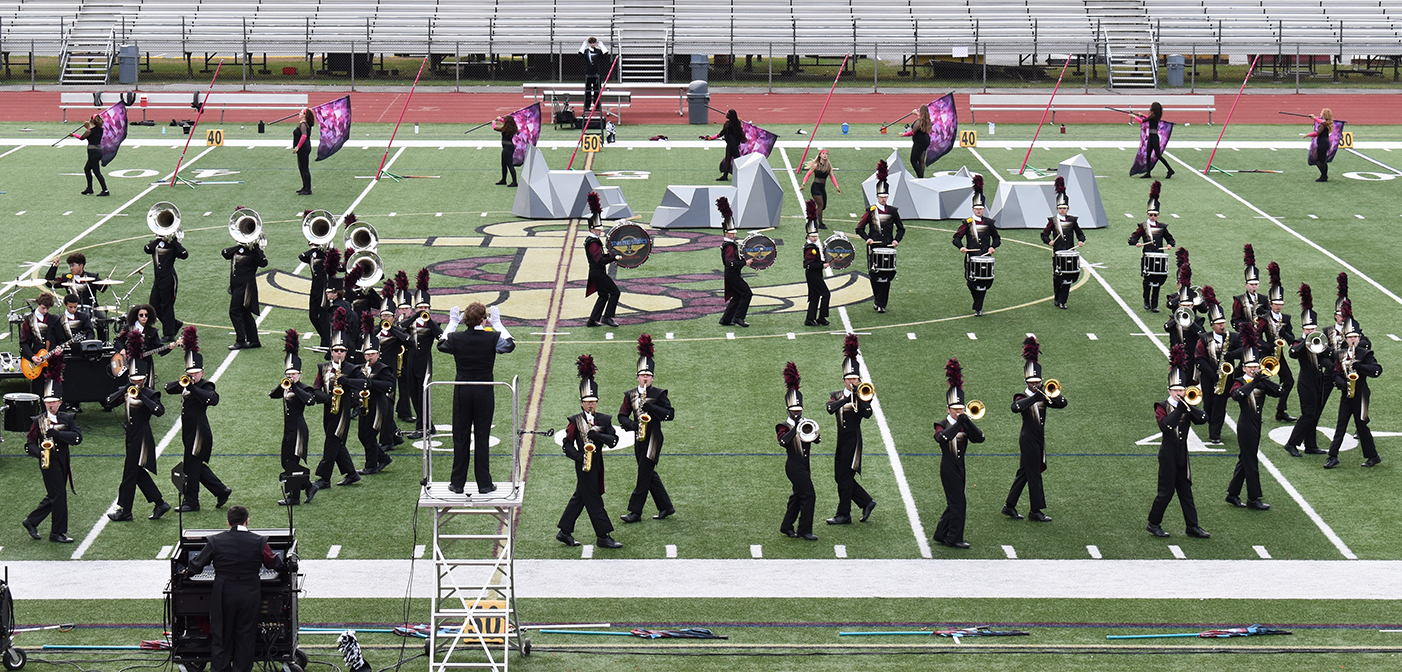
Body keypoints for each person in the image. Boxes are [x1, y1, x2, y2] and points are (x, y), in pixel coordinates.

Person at [184, 505, 294, 672]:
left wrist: (185, 571)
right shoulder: (259, 541)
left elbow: (197, 565)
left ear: (228, 523)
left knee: (221, 636)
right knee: (246, 636)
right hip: (249, 593)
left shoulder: (216, 540)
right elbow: (273, 562)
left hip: (224, 593)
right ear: (247, 521)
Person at [436, 302, 516, 495]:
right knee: (482, 437)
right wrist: (498, 324)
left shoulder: (456, 337)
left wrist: (452, 323)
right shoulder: (493, 337)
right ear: (484, 319)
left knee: (461, 436)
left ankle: (457, 483)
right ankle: (484, 484)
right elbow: (510, 345)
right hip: (484, 390)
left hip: (462, 390)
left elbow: (441, 344)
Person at [557, 355, 622, 549]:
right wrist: (579, 457)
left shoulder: (604, 420)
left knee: (581, 496)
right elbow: (566, 444)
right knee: (593, 497)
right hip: (583, 464)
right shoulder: (575, 421)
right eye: (587, 401)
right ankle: (603, 536)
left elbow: (613, 440)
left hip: (598, 462)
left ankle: (564, 531)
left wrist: (598, 436)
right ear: (581, 402)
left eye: (594, 401)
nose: (591, 404)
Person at [1146, 344, 1210, 539]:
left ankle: (1192, 526)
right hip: (1167, 454)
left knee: (1185, 491)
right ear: (1169, 390)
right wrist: (1182, 409)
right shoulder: (1162, 406)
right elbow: (1165, 426)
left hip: (1183, 453)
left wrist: (1190, 407)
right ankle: (1153, 523)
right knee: (1165, 492)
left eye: (1181, 390)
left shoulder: (1188, 404)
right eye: (1175, 390)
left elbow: (1202, 419)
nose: (1179, 393)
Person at [103, 345, 171, 522]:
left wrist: (141, 395)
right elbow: (109, 402)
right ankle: (159, 503)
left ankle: (125, 510)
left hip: (142, 436)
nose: (136, 383)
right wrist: (125, 388)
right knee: (137, 472)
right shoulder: (128, 390)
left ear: (145, 379)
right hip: (131, 436)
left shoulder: (150, 393)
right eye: (134, 379)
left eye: (139, 380)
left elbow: (159, 411)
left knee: (129, 473)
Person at [167, 327, 232, 512]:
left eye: (196, 372)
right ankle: (221, 490)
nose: (193, 375)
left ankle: (192, 502)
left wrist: (193, 387)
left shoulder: (206, 385)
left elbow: (213, 399)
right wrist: (183, 382)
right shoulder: (185, 383)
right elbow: (167, 388)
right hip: (189, 431)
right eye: (190, 372)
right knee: (194, 465)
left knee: (191, 466)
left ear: (202, 372)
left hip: (199, 432)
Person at [1004, 337, 1066, 523]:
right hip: (1028, 439)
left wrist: (1046, 393)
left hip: (1038, 439)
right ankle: (1036, 510)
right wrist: (1036, 395)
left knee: (1024, 473)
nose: (1035, 384)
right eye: (1032, 382)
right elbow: (1015, 408)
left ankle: (1009, 506)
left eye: (1038, 381)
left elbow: (1062, 403)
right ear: (1026, 381)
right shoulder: (1022, 396)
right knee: (1033, 474)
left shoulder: (1044, 394)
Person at [617, 334, 675, 522]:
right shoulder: (630, 394)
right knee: (648, 474)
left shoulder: (659, 394)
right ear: (637, 376)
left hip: (654, 438)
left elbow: (670, 414)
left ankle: (635, 512)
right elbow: (621, 416)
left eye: (648, 375)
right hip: (639, 437)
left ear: (652, 378)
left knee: (643, 474)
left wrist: (653, 408)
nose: (645, 378)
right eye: (643, 375)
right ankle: (666, 507)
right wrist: (632, 425)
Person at [22, 368, 80, 543]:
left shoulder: (68, 419)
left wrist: (58, 434)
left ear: (60, 403)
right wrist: (40, 452)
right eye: (47, 402)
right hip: (47, 462)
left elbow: (77, 438)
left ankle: (31, 521)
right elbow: (29, 444)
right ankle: (57, 533)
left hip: (63, 460)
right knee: (59, 495)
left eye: (53, 402)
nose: (50, 405)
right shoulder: (38, 421)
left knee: (55, 495)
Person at [1226, 326, 1280, 511]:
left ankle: (1232, 493)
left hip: (1257, 424)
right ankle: (1253, 498)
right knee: (1251, 461)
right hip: (1245, 425)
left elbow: (1278, 392)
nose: (1254, 370)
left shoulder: (1260, 380)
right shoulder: (1239, 381)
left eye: (1256, 367)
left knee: (1245, 458)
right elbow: (1236, 396)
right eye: (1250, 367)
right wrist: (1255, 382)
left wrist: (1264, 379)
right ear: (1243, 368)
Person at [824, 335, 875, 525]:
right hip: (841, 440)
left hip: (853, 440)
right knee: (840, 476)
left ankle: (843, 514)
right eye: (849, 379)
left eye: (855, 378)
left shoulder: (863, 395)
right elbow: (830, 408)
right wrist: (847, 398)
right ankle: (866, 501)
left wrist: (860, 398)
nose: (852, 382)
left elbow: (867, 414)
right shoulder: (836, 395)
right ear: (844, 380)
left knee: (845, 477)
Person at [933, 358, 982, 549]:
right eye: (956, 409)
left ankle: (940, 533)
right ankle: (953, 538)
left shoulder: (963, 422)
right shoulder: (942, 424)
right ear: (948, 409)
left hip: (960, 467)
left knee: (955, 502)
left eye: (961, 409)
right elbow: (942, 439)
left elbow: (979, 438)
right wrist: (960, 423)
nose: (959, 412)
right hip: (948, 467)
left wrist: (967, 422)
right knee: (959, 504)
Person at [1325, 309, 1382, 469]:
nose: (1353, 340)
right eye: (1350, 337)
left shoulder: (1365, 354)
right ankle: (1333, 456)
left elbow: (1376, 370)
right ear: (1346, 338)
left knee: (1361, 425)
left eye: (1355, 337)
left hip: (1361, 394)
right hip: (1347, 394)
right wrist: (1340, 382)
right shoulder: (1340, 354)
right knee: (1341, 424)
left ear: (1359, 338)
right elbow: (1335, 372)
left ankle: (1373, 455)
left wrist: (1360, 367)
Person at [1282, 284, 1334, 457]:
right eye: (1308, 329)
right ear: (1303, 329)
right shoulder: (1299, 342)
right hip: (1306, 381)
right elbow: (1293, 354)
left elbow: (1327, 356)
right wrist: (1307, 340)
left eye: (1313, 328)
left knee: (1315, 414)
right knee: (1308, 414)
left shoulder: (1321, 340)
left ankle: (1311, 445)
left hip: (1318, 380)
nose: (1311, 331)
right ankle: (1291, 443)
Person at [311, 308, 360, 489]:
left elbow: (362, 384)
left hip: (343, 412)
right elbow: (316, 389)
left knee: (331, 442)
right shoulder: (322, 367)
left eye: (342, 350)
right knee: (336, 443)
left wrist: (346, 382)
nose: (339, 353)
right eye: (336, 350)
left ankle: (324, 478)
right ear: (331, 352)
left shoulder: (351, 369)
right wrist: (328, 397)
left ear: (346, 353)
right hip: (329, 409)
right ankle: (352, 473)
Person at [272, 330, 319, 505]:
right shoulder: (286, 388)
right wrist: (284, 383)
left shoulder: (304, 388)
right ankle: (307, 486)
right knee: (286, 462)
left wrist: (295, 385)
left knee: (292, 462)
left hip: (298, 430)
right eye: (288, 374)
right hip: (288, 430)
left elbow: (310, 401)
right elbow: (273, 395)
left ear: (299, 374)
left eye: (293, 374)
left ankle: (295, 495)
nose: (290, 377)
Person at [856, 162, 904, 313]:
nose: (883, 199)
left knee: (886, 275)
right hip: (874, 247)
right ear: (877, 196)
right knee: (874, 275)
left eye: (885, 196)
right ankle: (877, 299)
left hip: (887, 247)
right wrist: (867, 239)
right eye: (881, 197)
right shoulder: (871, 211)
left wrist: (896, 240)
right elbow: (859, 228)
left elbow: (901, 229)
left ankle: (882, 303)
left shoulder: (893, 211)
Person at [777, 362, 818, 541]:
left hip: (805, 465)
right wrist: (796, 425)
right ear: (788, 410)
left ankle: (786, 526)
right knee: (809, 494)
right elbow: (783, 442)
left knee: (797, 495)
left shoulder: (803, 423)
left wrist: (813, 433)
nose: (798, 413)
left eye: (799, 410)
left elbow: (816, 439)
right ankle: (804, 529)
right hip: (793, 466)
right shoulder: (783, 426)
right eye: (794, 411)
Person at [351, 320, 396, 476]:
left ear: (378, 354)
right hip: (365, 406)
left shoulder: (383, 368)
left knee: (369, 435)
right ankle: (382, 458)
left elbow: (389, 386)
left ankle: (371, 465)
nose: (369, 356)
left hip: (378, 406)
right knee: (362, 435)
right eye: (367, 354)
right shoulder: (361, 368)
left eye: (372, 354)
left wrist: (370, 383)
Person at [953, 175, 1000, 316]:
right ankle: (977, 304)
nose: (979, 211)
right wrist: (961, 247)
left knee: (983, 282)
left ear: (984, 209)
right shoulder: (967, 223)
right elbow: (956, 237)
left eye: (981, 209)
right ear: (973, 209)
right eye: (976, 209)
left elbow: (997, 238)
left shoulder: (989, 223)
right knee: (971, 282)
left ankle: (978, 307)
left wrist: (993, 247)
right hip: (971, 257)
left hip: (985, 257)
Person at [1194, 291, 1234, 447]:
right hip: (1208, 377)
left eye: (1223, 322)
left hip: (1225, 378)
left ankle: (1215, 433)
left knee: (1220, 405)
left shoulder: (1232, 337)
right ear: (1212, 324)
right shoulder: (1204, 338)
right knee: (1209, 404)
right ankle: (1212, 423)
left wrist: (1231, 354)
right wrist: (1213, 375)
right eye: (1219, 323)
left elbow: (1245, 347)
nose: (1222, 325)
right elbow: (1199, 358)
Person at [1128, 181, 1175, 313]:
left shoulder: (1162, 227)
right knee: (1148, 279)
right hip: (1147, 256)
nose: (1153, 217)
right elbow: (1132, 238)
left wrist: (1170, 244)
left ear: (1158, 215)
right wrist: (1135, 243)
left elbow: (1170, 238)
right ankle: (1146, 301)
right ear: (1147, 214)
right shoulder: (1143, 226)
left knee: (1158, 281)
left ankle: (1155, 304)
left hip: (1159, 256)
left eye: (1155, 215)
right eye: (1151, 215)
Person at [405, 271, 441, 438]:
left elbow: (441, 336)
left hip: (425, 362)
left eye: (425, 307)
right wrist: (415, 317)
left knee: (422, 394)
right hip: (411, 361)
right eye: (420, 307)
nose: (422, 310)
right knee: (413, 392)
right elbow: (400, 328)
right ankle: (428, 425)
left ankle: (422, 427)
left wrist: (429, 319)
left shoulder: (431, 323)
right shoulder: (410, 323)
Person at [222, 220, 267, 350]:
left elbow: (263, 262)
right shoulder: (237, 251)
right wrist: (240, 246)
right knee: (245, 312)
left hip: (246, 286)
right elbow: (225, 253)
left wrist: (257, 247)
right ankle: (254, 340)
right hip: (237, 286)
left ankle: (241, 340)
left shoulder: (253, 252)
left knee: (234, 311)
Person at [1259, 263, 1297, 422]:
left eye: (1281, 304)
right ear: (1270, 304)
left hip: (1278, 354)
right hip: (1265, 354)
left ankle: (1281, 410)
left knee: (1288, 380)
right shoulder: (1263, 319)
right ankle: (1256, 412)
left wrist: (1285, 336)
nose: (1279, 307)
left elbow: (1291, 335)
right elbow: (1255, 338)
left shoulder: (1286, 318)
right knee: (1259, 382)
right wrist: (1269, 346)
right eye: (1276, 304)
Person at [1040, 177, 1085, 310]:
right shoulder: (1053, 221)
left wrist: (1081, 240)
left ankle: (1063, 301)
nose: (1063, 210)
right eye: (1060, 208)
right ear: (1057, 208)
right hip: (1057, 253)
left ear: (1068, 208)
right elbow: (1044, 234)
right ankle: (1057, 296)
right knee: (1057, 276)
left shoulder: (1072, 221)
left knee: (1068, 277)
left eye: (1065, 208)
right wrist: (1049, 242)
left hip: (1069, 252)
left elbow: (1080, 233)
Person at [583, 193, 620, 328]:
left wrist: (610, 256)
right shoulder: (593, 242)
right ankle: (607, 317)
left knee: (603, 295)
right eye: (598, 229)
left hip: (595, 272)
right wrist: (613, 258)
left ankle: (592, 320)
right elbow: (599, 260)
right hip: (598, 272)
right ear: (592, 229)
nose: (600, 231)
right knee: (615, 292)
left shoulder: (593, 240)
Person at [144, 228, 189, 342]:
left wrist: (174, 241)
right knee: (153, 306)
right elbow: (147, 249)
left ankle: (169, 334)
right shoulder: (154, 245)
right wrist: (158, 238)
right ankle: (174, 324)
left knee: (167, 306)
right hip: (158, 280)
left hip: (169, 279)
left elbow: (184, 255)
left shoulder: (172, 246)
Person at [716, 197, 753, 327]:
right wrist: (744, 262)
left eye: (734, 233)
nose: (734, 235)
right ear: (726, 233)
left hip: (731, 274)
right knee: (747, 293)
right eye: (731, 233)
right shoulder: (729, 246)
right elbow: (730, 262)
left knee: (737, 296)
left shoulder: (731, 244)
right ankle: (738, 317)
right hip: (732, 274)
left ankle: (726, 319)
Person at [22, 293, 66, 397]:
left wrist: (59, 348)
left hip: (52, 360)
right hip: (36, 361)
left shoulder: (54, 320)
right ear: (38, 304)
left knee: (54, 391)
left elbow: (61, 340)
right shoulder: (29, 320)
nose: (45, 311)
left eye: (48, 309)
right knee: (38, 391)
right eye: (43, 308)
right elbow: (23, 342)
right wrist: (32, 357)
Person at [299, 239, 334, 347]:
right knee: (313, 316)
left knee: (324, 315)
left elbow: (332, 261)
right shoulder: (311, 255)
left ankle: (326, 343)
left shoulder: (325, 255)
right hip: (314, 287)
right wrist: (315, 249)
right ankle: (326, 339)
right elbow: (301, 256)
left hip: (324, 287)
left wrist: (322, 248)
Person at [801, 201, 830, 327]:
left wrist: (823, 262)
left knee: (815, 296)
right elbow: (808, 264)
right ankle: (821, 317)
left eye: (816, 236)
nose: (815, 238)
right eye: (812, 236)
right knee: (825, 294)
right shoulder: (809, 248)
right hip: (813, 274)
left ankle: (810, 319)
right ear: (808, 236)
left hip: (815, 273)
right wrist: (822, 265)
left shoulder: (815, 245)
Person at [1131, 102, 1175, 179]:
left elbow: (1143, 121)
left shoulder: (1153, 116)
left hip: (1154, 138)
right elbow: (1148, 118)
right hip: (1151, 137)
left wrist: (1135, 117)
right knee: (1148, 155)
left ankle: (1170, 170)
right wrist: (1142, 115)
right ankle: (1148, 173)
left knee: (1158, 155)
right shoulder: (1155, 116)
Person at [800, 148, 841, 229]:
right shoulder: (816, 165)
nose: (825, 155)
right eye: (823, 153)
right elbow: (808, 174)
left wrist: (837, 187)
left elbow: (832, 176)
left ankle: (812, 215)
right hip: (815, 187)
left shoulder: (828, 165)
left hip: (822, 188)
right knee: (820, 205)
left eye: (826, 154)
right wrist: (803, 184)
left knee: (823, 206)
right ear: (820, 155)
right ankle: (820, 223)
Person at [702, 110, 744, 181]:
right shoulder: (737, 122)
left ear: (730, 116)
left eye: (727, 114)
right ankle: (725, 176)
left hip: (731, 144)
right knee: (729, 159)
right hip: (733, 143)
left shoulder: (728, 124)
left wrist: (712, 138)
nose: (725, 114)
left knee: (737, 160)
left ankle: (742, 175)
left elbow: (721, 133)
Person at [1231, 244, 1263, 332]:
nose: (1254, 286)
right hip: (1245, 334)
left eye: (1256, 284)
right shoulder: (1239, 299)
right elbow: (1235, 320)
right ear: (1246, 285)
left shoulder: (1263, 299)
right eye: (1251, 284)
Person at [77, 113, 109, 196]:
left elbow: (82, 137)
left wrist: (73, 134)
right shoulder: (100, 129)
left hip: (93, 153)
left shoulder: (90, 131)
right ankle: (89, 188)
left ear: (92, 121)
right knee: (87, 169)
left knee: (96, 172)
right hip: (97, 152)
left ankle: (105, 190)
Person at [901, 105, 933, 178]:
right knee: (921, 160)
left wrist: (903, 134)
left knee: (913, 160)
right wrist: (917, 114)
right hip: (926, 140)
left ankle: (920, 177)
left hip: (919, 142)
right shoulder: (927, 119)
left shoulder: (919, 121)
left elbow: (912, 132)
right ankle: (921, 177)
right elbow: (922, 117)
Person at [579, 37, 610, 111]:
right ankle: (587, 106)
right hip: (588, 74)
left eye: (594, 43)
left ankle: (597, 106)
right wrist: (583, 46)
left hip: (597, 74)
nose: (592, 44)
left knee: (597, 90)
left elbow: (605, 55)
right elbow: (580, 55)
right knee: (588, 91)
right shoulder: (586, 51)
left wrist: (602, 46)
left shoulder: (598, 51)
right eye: (591, 43)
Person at [1305, 108, 1334, 182]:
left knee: (1321, 160)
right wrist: (1314, 118)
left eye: (1321, 112)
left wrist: (1308, 135)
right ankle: (1324, 175)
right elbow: (1321, 121)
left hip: (1322, 144)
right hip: (1324, 143)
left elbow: (1317, 133)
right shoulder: (1326, 123)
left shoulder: (1324, 124)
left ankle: (1324, 176)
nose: (1320, 113)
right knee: (1317, 159)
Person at [291, 108, 315, 195]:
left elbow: (304, 136)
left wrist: (297, 147)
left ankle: (308, 189)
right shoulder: (303, 124)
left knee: (304, 168)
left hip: (303, 149)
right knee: (301, 168)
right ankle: (305, 187)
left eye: (301, 112)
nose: (299, 113)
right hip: (303, 148)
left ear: (304, 115)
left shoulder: (304, 125)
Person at [492, 114, 519, 187]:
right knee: (504, 164)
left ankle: (514, 182)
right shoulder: (513, 127)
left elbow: (495, 128)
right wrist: (500, 119)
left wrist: (493, 122)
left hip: (507, 148)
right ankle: (503, 179)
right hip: (508, 147)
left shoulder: (504, 129)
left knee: (510, 165)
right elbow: (506, 122)